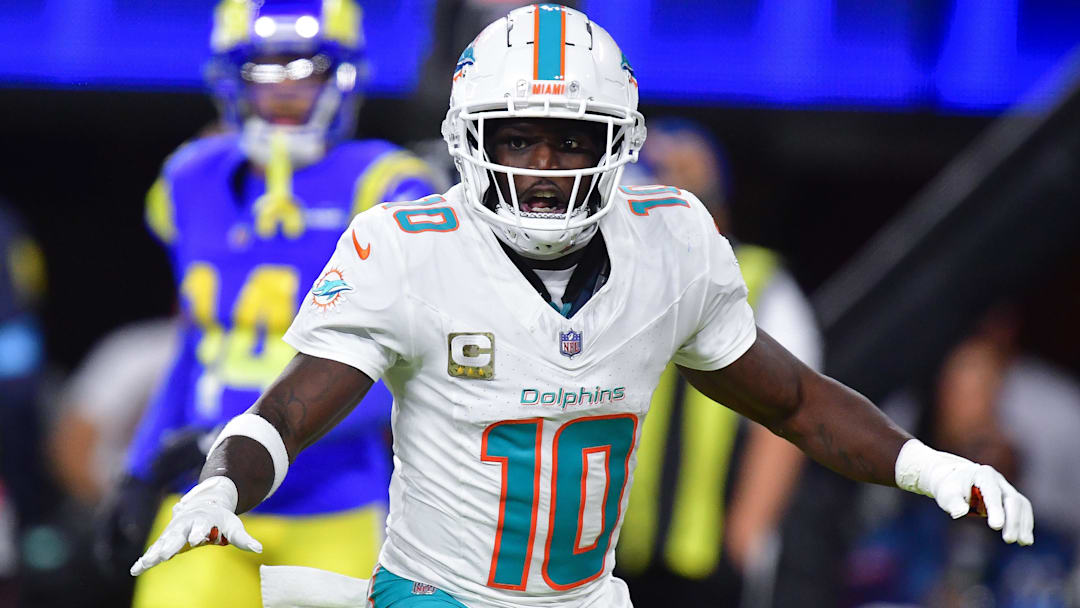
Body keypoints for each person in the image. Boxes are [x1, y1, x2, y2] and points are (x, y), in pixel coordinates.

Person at [130, 5, 1034, 607]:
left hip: (590, 598)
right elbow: (288, 409)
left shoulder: (670, 243)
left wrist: (929, 467)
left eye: (572, 141)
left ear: (621, 145)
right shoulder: (408, 245)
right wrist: (220, 483)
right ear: (465, 145)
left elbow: (794, 401)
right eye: (515, 139)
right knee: (200, 576)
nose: (543, 167)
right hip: (435, 596)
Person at [111, 1, 439, 606]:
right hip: (202, 496)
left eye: (304, 68)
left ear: (341, 74)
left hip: (334, 502)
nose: (285, 89)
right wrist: (137, 468)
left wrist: (238, 440)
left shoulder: (390, 187)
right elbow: (196, 343)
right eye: (264, 69)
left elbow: (406, 376)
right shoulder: (192, 178)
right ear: (232, 77)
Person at [615, 118, 823, 607]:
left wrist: (742, 539)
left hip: (709, 561)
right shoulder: (623, 285)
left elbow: (788, 421)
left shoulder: (759, 287)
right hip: (623, 555)